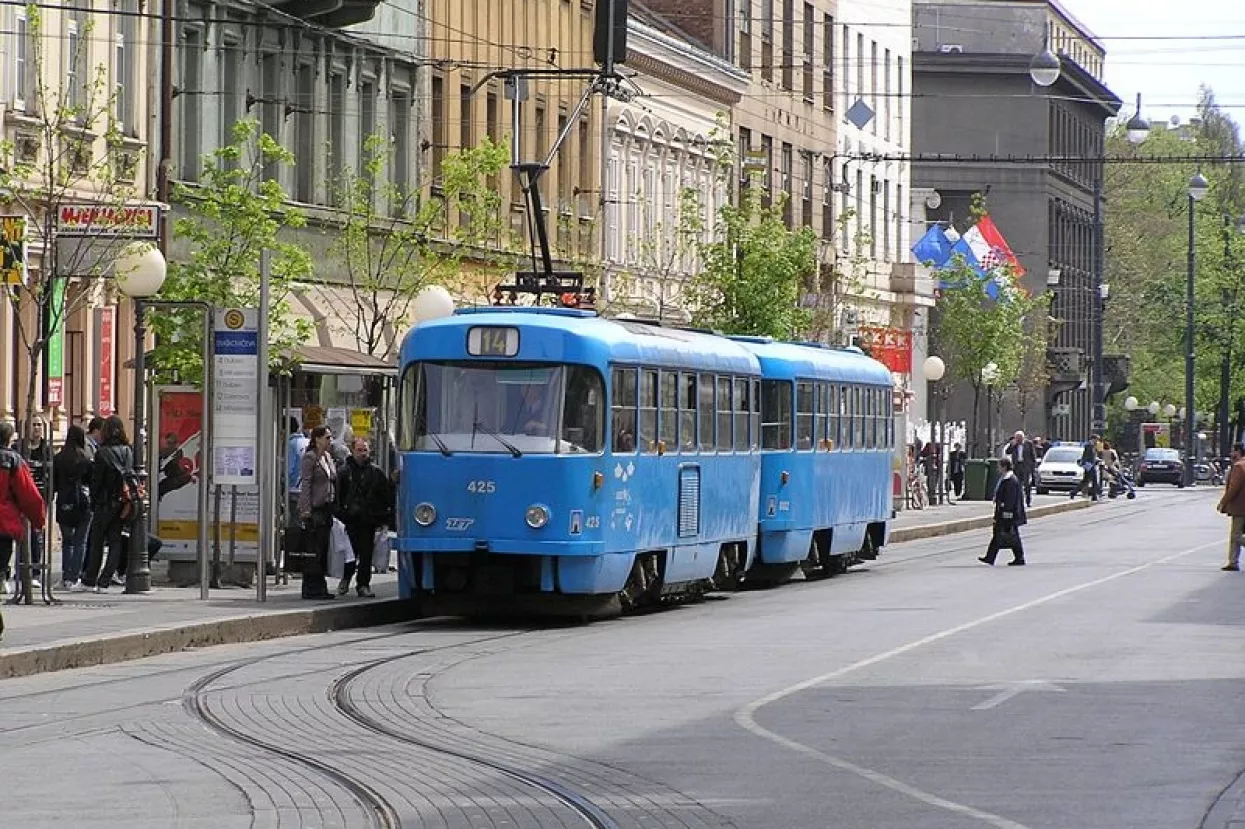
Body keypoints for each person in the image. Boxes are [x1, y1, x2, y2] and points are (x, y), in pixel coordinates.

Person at [78, 416, 135, 593]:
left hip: (104, 502)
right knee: (115, 541)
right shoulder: (127, 451)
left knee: (96, 542)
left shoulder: (102, 453)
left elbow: (97, 482)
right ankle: (105, 580)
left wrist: (93, 503)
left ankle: (90, 580)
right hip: (122, 501)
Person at [334, 437, 393, 598]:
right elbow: (338, 495)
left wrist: (382, 518)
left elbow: (385, 496)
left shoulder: (376, 472)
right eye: (359, 450)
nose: (362, 454)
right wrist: (340, 514)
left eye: (365, 450)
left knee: (366, 554)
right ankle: (346, 578)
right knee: (349, 554)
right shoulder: (344, 472)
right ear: (352, 451)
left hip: (368, 520)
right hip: (349, 520)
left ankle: (363, 584)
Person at [0, 420, 46, 613]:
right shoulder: (12, 460)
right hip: (4, 518)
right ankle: (1, 576)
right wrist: (38, 520)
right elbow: (28, 495)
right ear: (9, 438)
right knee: (3, 550)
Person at [297, 426, 337, 600]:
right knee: (314, 550)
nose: (330, 441)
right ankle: (311, 587)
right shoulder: (310, 457)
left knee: (323, 549)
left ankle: (321, 586)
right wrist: (306, 509)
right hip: (315, 509)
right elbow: (306, 484)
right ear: (317, 439)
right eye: (327, 437)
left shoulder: (327, 457)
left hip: (327, 508)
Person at [53, 425, 93, 589]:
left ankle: (65, 576)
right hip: (83, 503)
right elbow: (92, 481)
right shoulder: (86, 459)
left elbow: (54, 483)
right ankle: (74, 577)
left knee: (67, 542)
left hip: (64, 502)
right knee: (80, 542)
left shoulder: (59, 458)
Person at [978, 456, 1027, 566]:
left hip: (1007, 513)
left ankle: (1019, 558)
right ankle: (990, 557)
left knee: (1010, 535)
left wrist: (1006, 513)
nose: (997, 469)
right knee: (1001, 534)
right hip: (1003, 512)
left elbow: (1010, 499)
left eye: (999, 466)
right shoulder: (1005, 478)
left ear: (1004, 467)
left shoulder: (1011, 480)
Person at [1216, 443, 1245, 572]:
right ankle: (1233, 562)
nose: (1230, 454)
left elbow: (1234, 488)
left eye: (1233, 451)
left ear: (1238, 451)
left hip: (1240, 506)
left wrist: (1223, 502)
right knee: (1236, 534)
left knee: (1236, 535)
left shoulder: (1239, 466)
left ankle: (1233, 562)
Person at [1005, 430, 1037, 507]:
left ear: (1023, 438)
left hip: (1026, 467)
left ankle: (1028, 501)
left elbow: (1033, 456)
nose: (1018, 440)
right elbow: (1007, 452)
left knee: (1027, 485)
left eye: (1020, 438)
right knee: (1017, 485)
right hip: (1017, 466)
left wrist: (1032, 468)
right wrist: (1012, 445)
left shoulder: (1028, 444)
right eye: (1017, 438)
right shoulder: (1014, 444)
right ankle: (1018, 502)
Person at [1071, 434, 1100, 501]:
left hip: (1091, 465)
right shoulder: (1088, 445)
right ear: (1093, 439)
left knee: (1085, 481)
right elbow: (1085, 456)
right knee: (1094, 481)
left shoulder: (1093, 446)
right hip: (1089, 466)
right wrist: (1084, 464)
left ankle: (1073, 492)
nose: (1097, 441)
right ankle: (1094, 496)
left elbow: (1093, 456)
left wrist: (1096, 460)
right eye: (1096, 439)